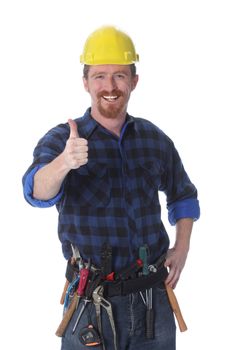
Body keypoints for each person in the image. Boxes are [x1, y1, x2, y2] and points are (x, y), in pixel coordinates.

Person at [22, 25, 200, 350]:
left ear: (134, 81)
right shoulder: (63, 140)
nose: (110, 86)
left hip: (152, 303)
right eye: (100, 76)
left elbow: (183, 195)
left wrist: (183, 246)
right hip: (90, 306)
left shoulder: (154, 139)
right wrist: (64, 162)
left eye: (119, 76)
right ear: (86, 82)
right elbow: (36, 192)